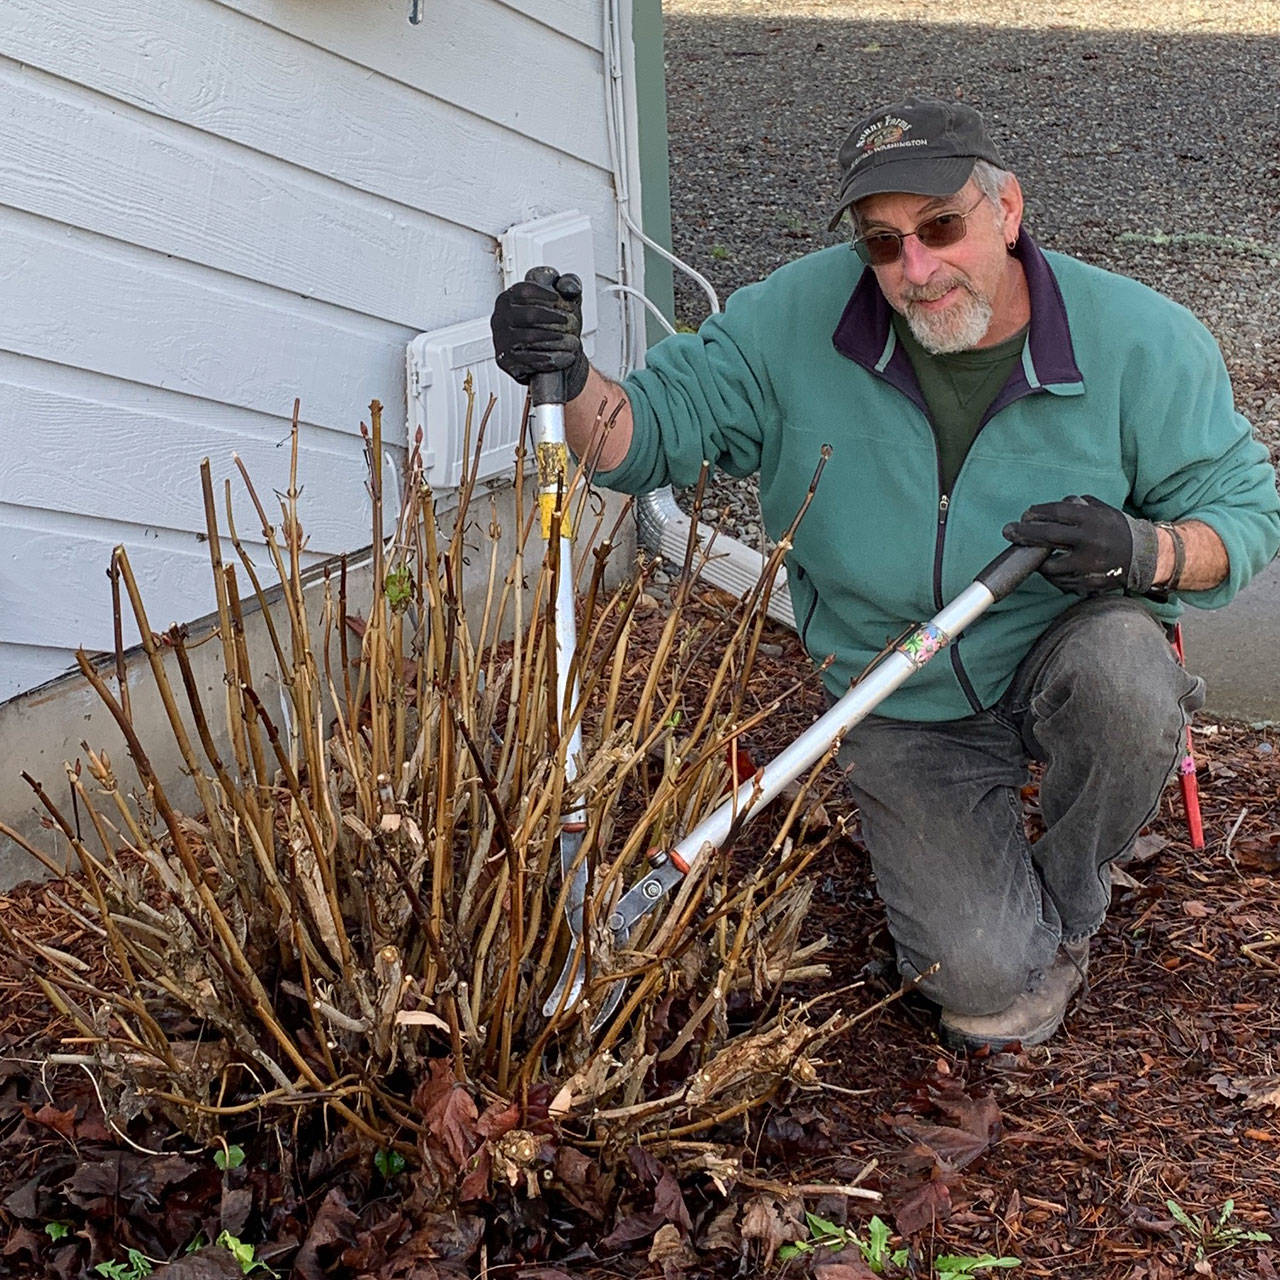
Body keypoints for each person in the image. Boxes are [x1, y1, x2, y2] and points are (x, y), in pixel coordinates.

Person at [489, 96, 1280, 1051]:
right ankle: (995, 908)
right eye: (882, 242)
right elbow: (642, 434)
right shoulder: (790, 323)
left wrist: (1143, 551)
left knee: (1126, 680)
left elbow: (1248, 517)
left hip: (1056, 645)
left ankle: (1071, 900)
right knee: (985, 995)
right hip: (896, 687)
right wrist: (566, 380)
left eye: (942, 226)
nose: (916, 268)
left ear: (1008, 211)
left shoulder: (1141, 342)